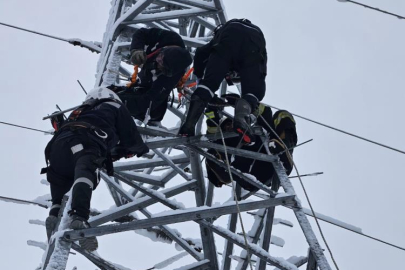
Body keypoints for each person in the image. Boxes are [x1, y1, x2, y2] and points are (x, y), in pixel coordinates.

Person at [43, 87, 149, 251]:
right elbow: (131, 138)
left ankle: (54, 213)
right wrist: (141, 149)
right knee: (86, 172)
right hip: (85, 140)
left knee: (60, 179)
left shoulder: (79, 111)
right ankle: (79, 217)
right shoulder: (114, 105)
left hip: (56, 148)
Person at [179, 19, 267, 145]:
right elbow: (260, 69)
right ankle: (241, 118)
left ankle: (189, 124)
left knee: (209, 85)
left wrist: (200, 79)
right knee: (253, 93)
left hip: (229, 35)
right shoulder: (251, 56)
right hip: (255, 41)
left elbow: (200, 53)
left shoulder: (222, 37)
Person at [204, 95, 297, 191]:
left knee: (282, 115)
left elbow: (265, 114)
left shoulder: (255, 131)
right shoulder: (225, 142)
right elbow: (212, 131)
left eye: (230, 123)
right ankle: (224, 175)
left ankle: (283, 149)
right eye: (225, 126)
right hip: (249, 175)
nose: (229, 126)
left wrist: (242, 104)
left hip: (272, 157)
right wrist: (211, 108)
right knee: (211, 153)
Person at [112, 27, 192, 126]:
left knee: (149, 109)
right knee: (115, 93)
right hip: (147, 74)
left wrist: (119, 102)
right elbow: (141, 33)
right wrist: (136, 49)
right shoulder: (169, 38)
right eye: (160, 58)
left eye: (161, 65)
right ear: (165, 50)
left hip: (151, 94)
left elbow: (149, 102)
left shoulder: (169, 79)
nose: (157, 62)